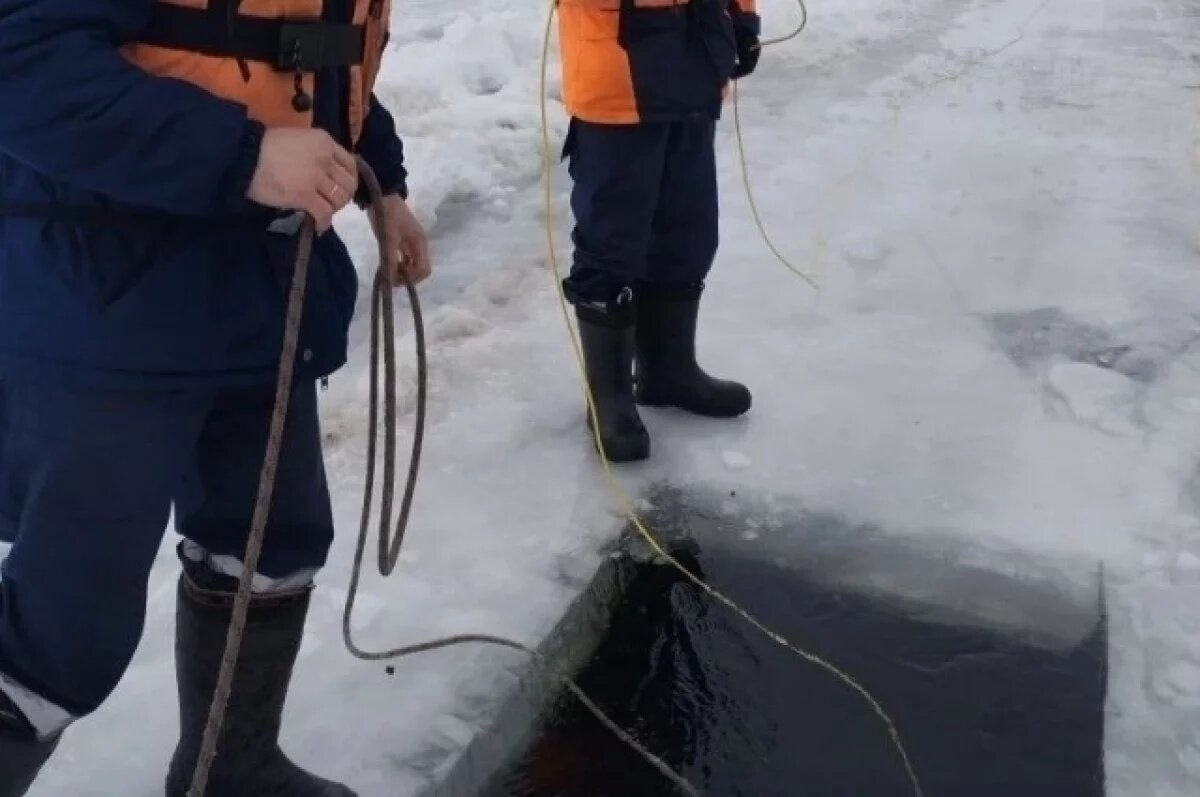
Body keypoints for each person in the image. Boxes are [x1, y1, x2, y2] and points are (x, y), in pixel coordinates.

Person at [0, 0, 431, 794]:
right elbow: (19, 58)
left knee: (272, 541)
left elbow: (312, 65)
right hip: (110, 305)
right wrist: (242, 157)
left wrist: (385, 188)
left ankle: (232, 765)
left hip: (264, 299)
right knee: (61, 632)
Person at [557, 0, 762, 463]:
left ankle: (669, 372)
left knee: (687, 231)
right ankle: (607, 396)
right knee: (611, 241)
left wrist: (742, 19)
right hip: (616, 72)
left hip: (695, 64)